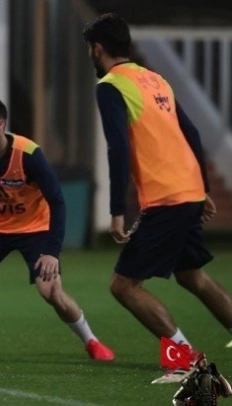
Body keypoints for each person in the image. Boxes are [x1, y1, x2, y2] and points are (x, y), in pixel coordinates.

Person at [83, 13, 232, 384]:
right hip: (187, 190)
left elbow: (118, 148)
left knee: (124, 286)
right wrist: (202, 188)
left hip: (167, 198)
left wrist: (116, 210)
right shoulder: (156, 79)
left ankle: (187, 361)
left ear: (97, 49)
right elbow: (191, 132)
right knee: (192, 276)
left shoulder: (111, 86)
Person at [0, 96, 115, 362]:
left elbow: (57, 201)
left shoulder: (29, 154)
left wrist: (51, 251)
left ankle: (91, 341)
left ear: (0, 125)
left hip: (35, 229)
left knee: (51, 292)